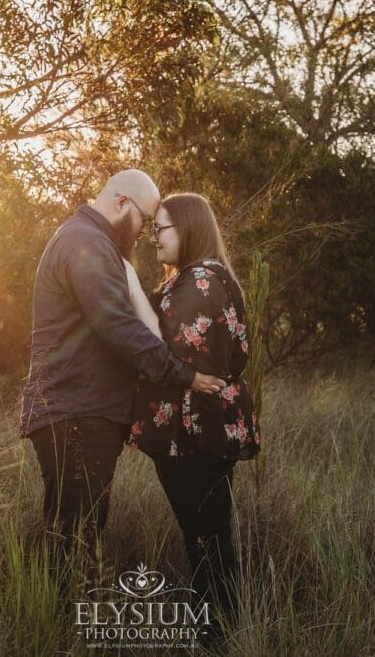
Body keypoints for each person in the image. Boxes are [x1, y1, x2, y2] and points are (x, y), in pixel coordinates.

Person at [20, 170, 228, 574]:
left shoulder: (87, 240)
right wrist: (183, 374)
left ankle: (61, 623)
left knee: (76, 529)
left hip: (79, 409)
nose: (143, 234)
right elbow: (117, 325)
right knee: (75, 535)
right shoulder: (87, 244)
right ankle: (62, 629)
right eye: (144, 221)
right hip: (76, 411)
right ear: (121, 204)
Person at [126, 192, 261, 625]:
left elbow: (159, 346)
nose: (154, 239)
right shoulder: (189, 278)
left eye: (160, 228)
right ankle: (219, 630)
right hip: (193, 430)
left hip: (199, 431)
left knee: (207, 538)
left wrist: (127, 282)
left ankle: (220, 633)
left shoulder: (202, 280)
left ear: (187, 228)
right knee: (204, 535)